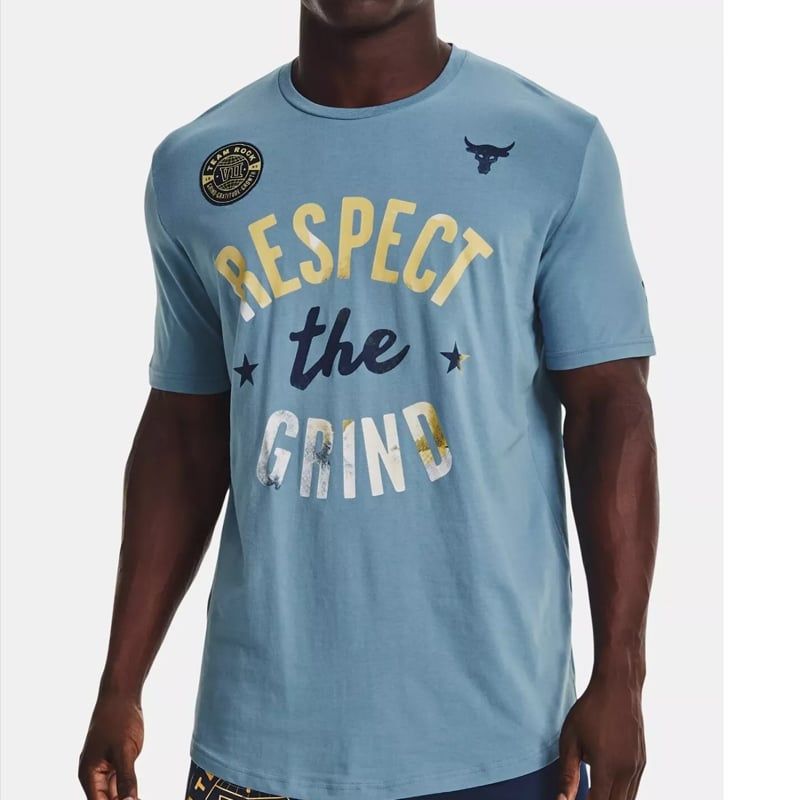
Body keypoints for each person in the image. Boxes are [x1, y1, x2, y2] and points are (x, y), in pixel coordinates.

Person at [78, 2, 658, 799]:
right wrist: (120, 683)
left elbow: (610, 413)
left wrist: (622, 671)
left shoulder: (555, 148)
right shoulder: (198, 165)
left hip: (498, 741)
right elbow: (184, 433)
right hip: (258, 744)